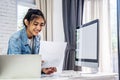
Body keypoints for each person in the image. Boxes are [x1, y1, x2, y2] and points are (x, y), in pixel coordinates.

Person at [7, 8, 57, 74]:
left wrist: (43, 70)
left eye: (41, 25)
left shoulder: (37, 38)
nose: (39, 28)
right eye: (35, 24)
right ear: (27, 22)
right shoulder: (15, 39)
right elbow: (15, 66)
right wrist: (35, 63)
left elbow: (34, 64)